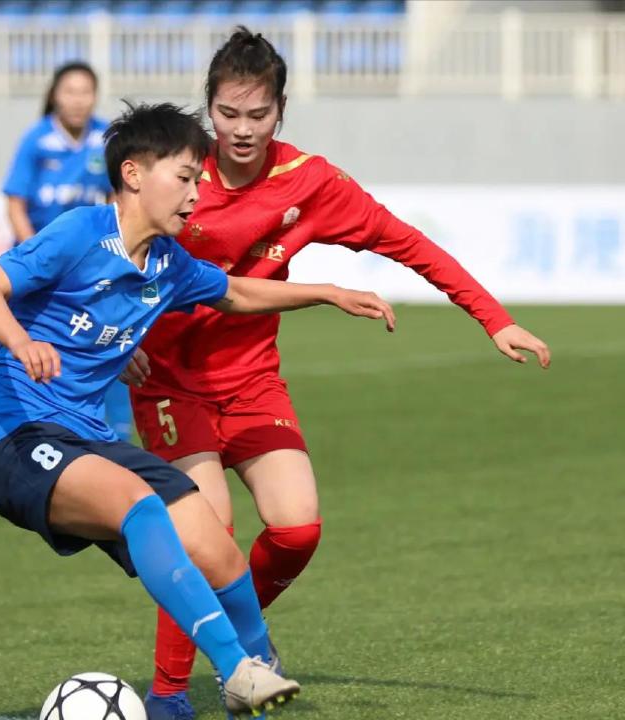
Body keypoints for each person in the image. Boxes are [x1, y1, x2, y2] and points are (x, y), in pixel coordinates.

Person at [131, 28, 552, 720]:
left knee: (297, 530)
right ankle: (170, 696)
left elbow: (408, 243)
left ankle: (237, 646)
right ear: (209, 109)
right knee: (207, 532)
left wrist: (493, 318)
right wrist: (119, 346)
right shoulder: (174, 174)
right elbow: (108, 253)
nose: (240, 130)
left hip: (252, 378)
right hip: (168, 381)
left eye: (257, 115)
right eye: (227, 114)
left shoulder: (310, 183)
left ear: (281, 111)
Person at [0, 102, 397, 715]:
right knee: (140, 506)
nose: (197, 194)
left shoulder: (167, 264)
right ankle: (236, 669)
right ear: (135, 173)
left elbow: (240, 292)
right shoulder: (79, 233)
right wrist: (22, 342)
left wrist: (326, 291)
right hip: (20, 438)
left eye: (199, 179)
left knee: (211, 542)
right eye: (186, 177)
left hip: (89, 439)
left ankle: (243, 674)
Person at [1, 60, 133, 442]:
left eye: (85, 92)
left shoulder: (105, 138)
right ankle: (11, 437)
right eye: (70, 91)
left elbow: (116, 200)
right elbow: (15, 203)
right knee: (28, 352)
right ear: (55, 96)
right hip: (41, 271)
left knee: (110, 343)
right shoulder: (36, 140)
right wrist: (34, 260)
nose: (78, 100)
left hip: (91, 270)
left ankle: (114, 438)